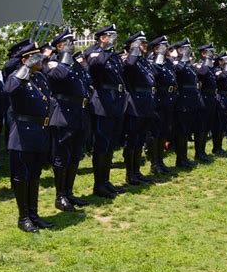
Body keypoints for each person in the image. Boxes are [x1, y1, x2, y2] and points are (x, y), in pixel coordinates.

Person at [4, 42, 53, 233]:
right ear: (25, 60)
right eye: (35, 58)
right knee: (22, 176)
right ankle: (23, 218)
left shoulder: (39, 77)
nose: (40, 61)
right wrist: (23, 67)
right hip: (22, 134)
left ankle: (34, 214)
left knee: (34, 175)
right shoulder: (17, 78)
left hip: (39, 132)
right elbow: (8, 90)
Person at [45, 28, 90, 211]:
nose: (71, 46)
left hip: (78, 112)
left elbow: (86, 78)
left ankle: (69, 192)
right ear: (59, 46)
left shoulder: (72, 64)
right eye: (67, 43)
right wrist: (63, 57)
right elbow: (59, 76)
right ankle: (60, 196)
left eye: (72, 43)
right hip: (63, 113)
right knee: (62, 157)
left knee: (75, 155)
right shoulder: (53, 63)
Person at [85, 24, 128, 198]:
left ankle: (106, 181)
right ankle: (98, 185)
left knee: (110, 145)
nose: (114, 39)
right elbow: (95, 65)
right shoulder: (94, 51)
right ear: (102, 37)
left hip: (115, 101)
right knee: (101, 145)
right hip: (102, 102)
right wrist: (105, 49)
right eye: (111, 36)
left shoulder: (112, 54)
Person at [121, 31, 155, 185]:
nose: (145, 46)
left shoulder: (143, 61)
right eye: (141, 43)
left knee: (140, 139)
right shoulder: (130, 60)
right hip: (134, 103)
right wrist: (134, 49)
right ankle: (130, 174)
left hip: (146, 102)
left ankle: (136, 171)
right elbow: (129, 64)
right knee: (133, 139)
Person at [147, 36, 177, 173]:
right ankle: (154, 163)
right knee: (155, 133)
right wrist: (158, 57)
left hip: (168, 99)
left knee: (164, 131)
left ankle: (161, 161)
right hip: (158, 99)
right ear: (155, 48)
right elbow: (154, 74)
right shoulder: (151, 60)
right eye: (162, 47)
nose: (165, 49)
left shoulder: (168, 62)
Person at [172, 39, 204, 168]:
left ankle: (184, 158)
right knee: (182, 131)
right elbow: (178, 71)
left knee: (186, 132)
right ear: (179, 50)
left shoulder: (188, 65)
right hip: (182, 101)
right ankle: (180, 159)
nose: (188, 51)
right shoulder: (178, 63)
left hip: (191, 100)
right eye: (185, 49)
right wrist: (184, 58)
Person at [193, 43, 217, 162]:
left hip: (211, 98)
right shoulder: (200, 64)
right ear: (203, 54)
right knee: (201, 127)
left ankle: (202, 150)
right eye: (209, 52)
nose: (212, 55)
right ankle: (199, 152)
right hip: (203, 97)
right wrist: (207, 61)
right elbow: (201, 74)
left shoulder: (209, 66)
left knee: (206, 126)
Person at [213, 51, 227, 155]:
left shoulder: (222, 69)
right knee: (219, 125)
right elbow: (222, 76)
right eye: (223, 60)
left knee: (223, 124)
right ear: (219, 61)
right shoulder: (216, 70)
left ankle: (219, 147)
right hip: (220, 98)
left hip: (226, 97)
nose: (225, 62)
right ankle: (216, 148)